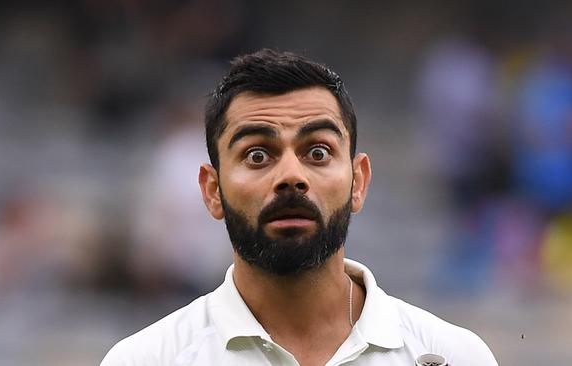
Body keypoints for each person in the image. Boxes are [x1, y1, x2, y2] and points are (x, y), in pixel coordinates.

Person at [100, 49, 498, 366]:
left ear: (358, 182)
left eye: (318, 151)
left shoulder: (454, 357)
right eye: (257, 155)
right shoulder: (145, 360)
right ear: (212, 190)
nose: (291, 176)